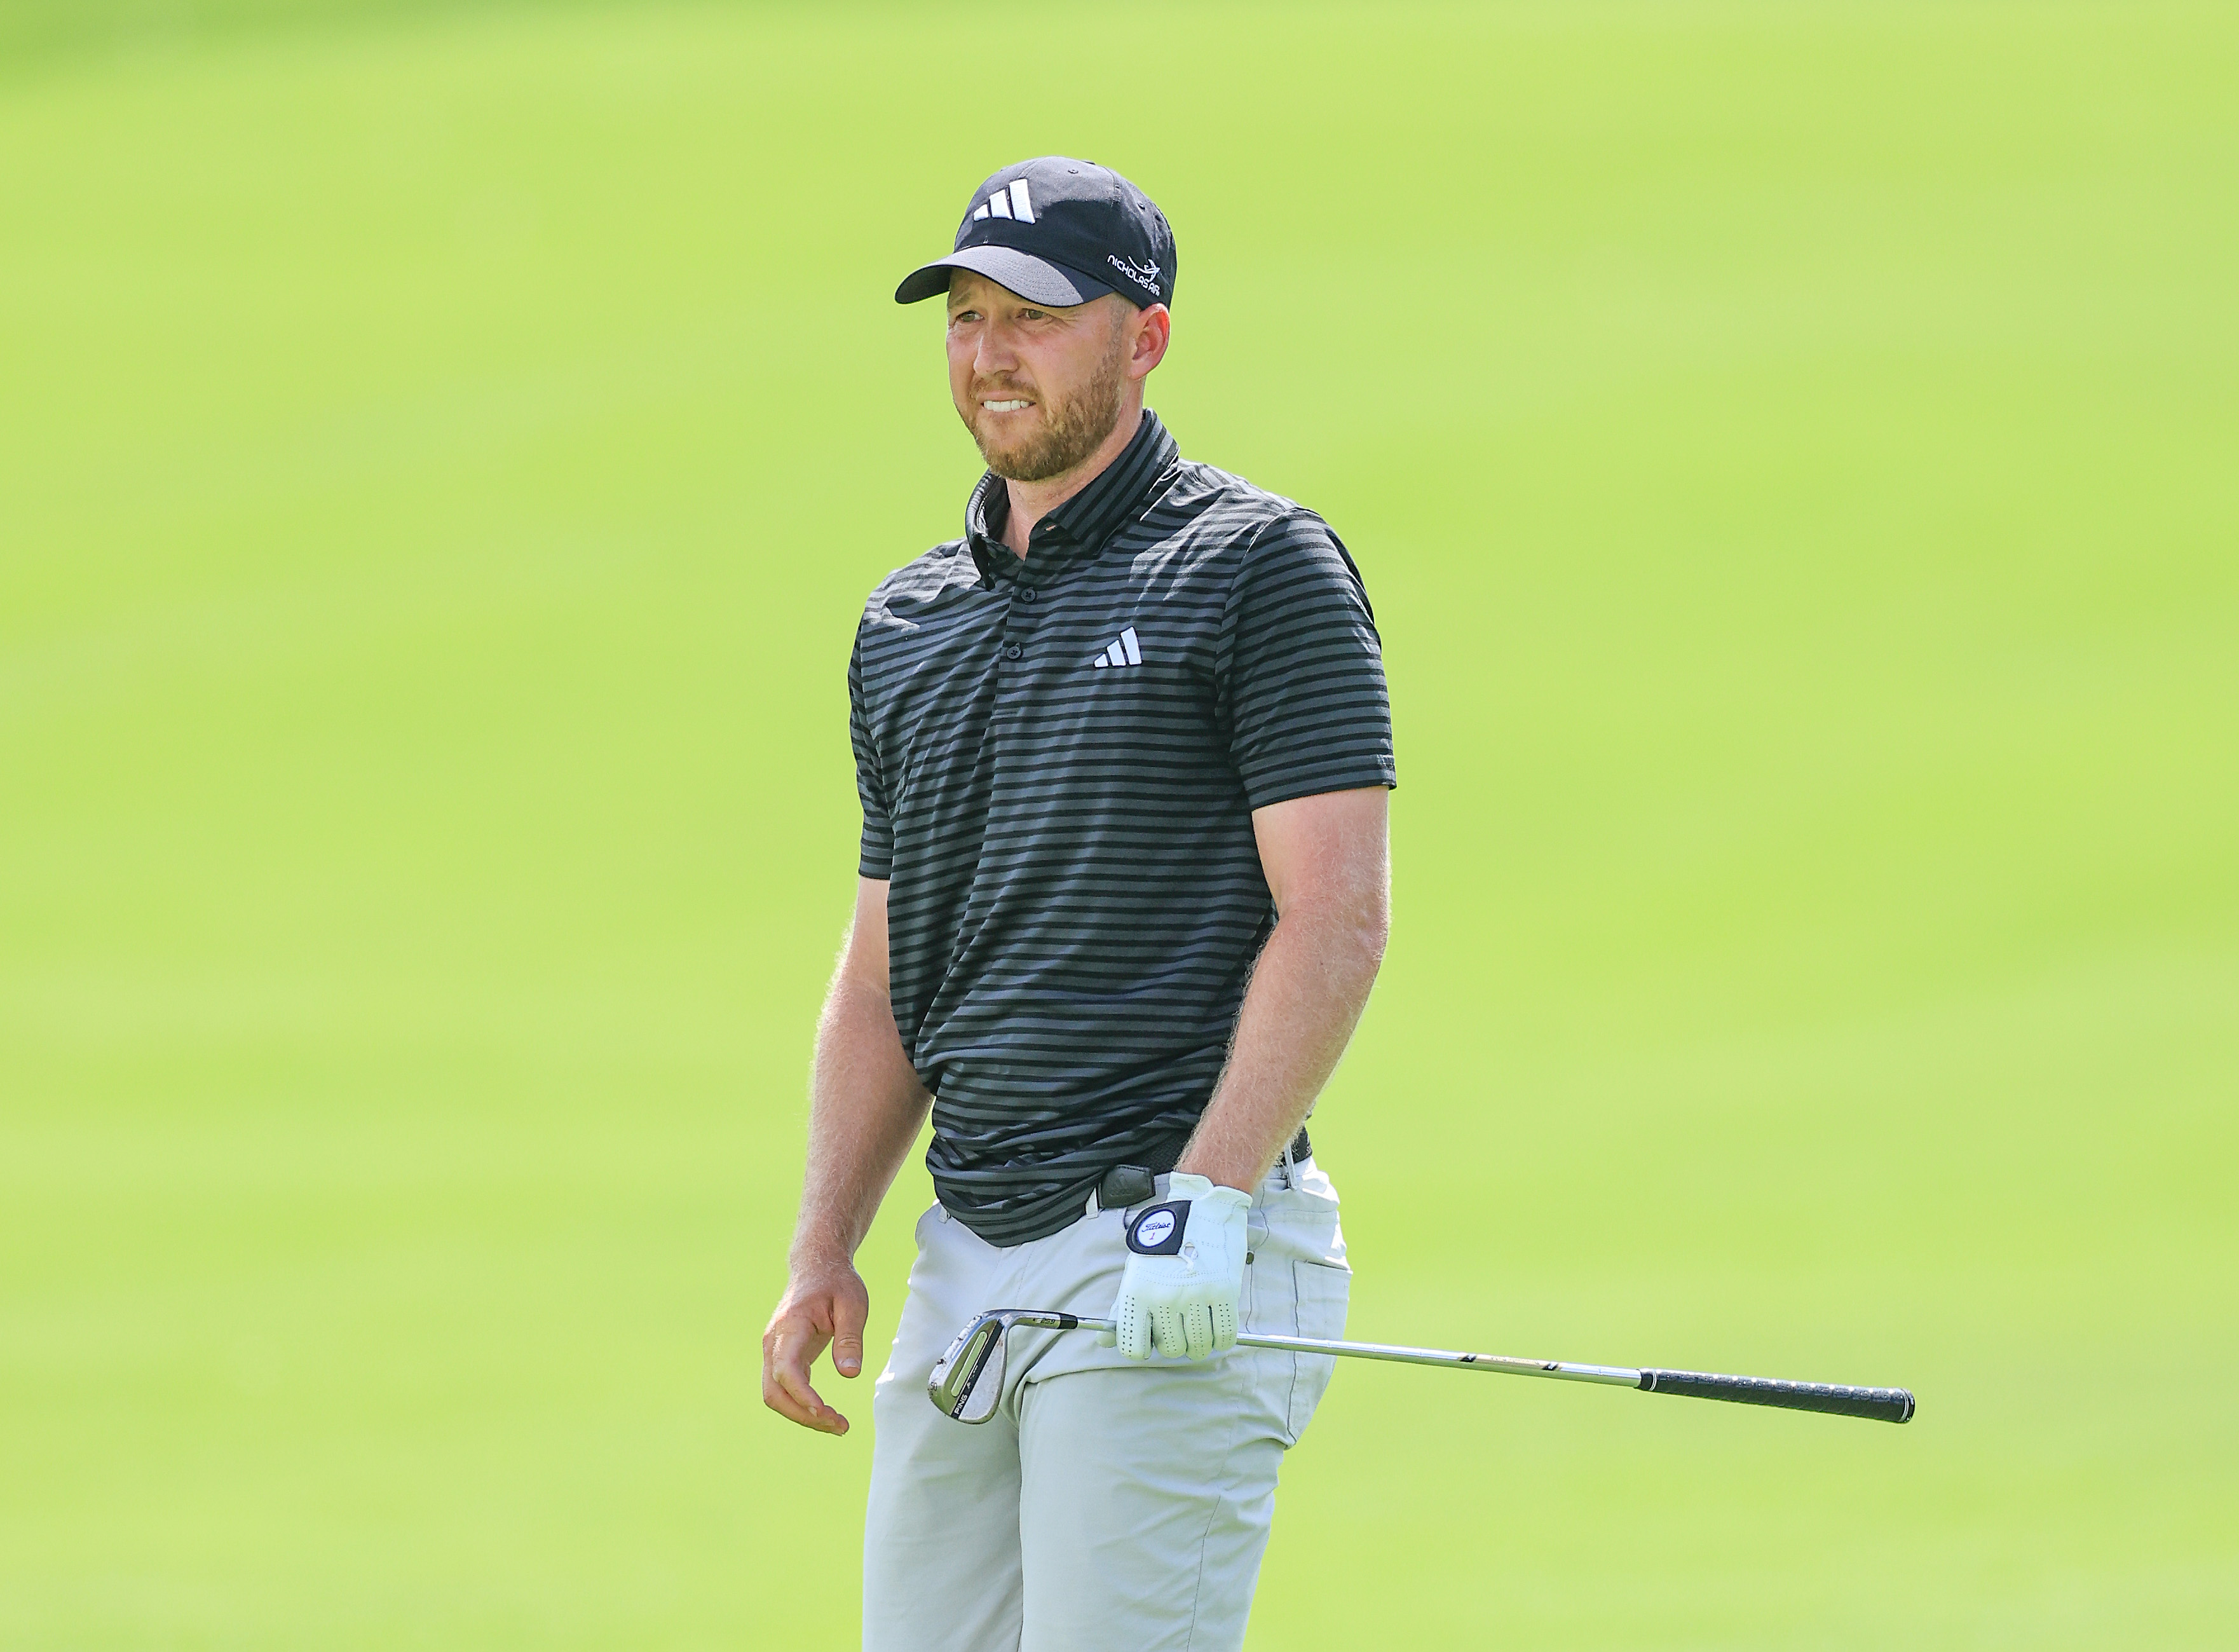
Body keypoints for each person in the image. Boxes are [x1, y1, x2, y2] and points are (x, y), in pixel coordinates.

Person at [760, 156, 1396, 1652]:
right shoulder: (908, 623)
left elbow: (1337, 916)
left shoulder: (1253, 568)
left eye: (1035, 317)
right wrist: (820, 1244)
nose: (989, 353)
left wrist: (1213, 1196)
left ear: (1145, 338)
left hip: (1168, 1238)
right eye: (966, 315)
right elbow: (884, 978)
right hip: (964, 1255)